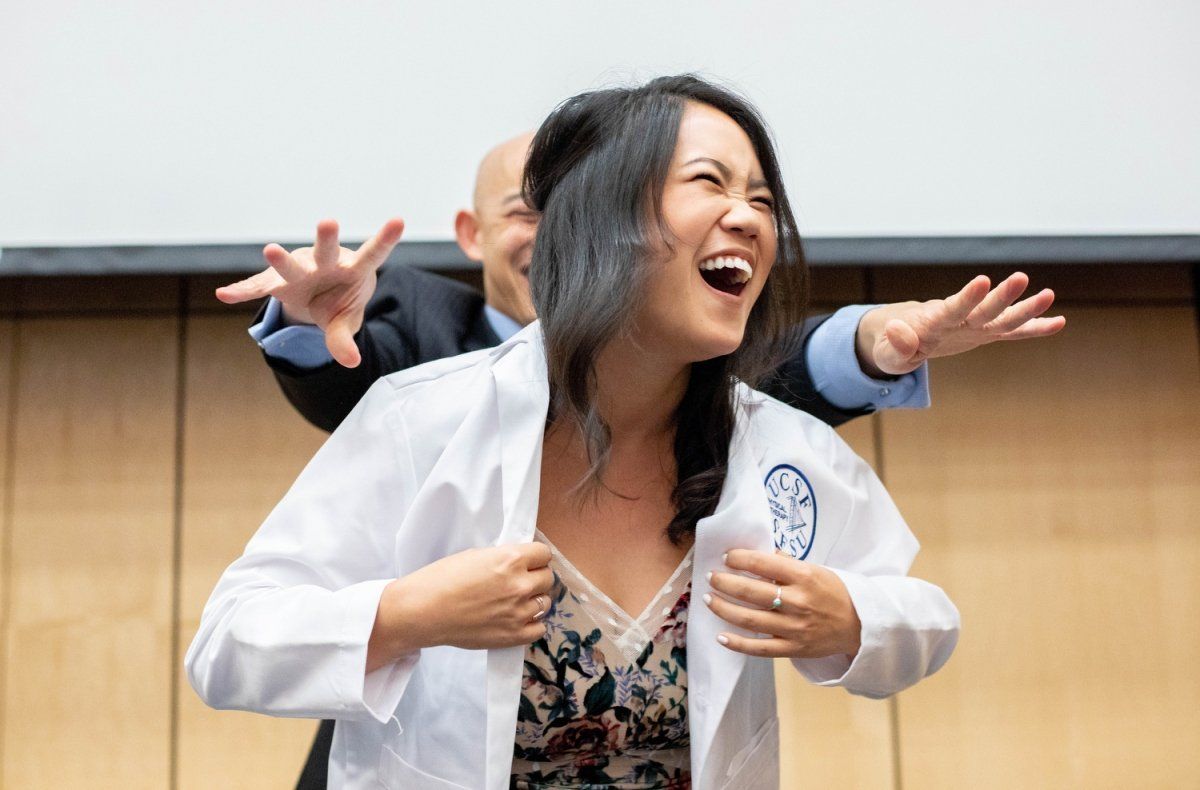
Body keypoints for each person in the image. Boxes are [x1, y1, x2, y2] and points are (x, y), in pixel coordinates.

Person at [188, 74, 977, 788]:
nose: (747, 216)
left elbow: (926, 615)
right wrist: (405, 617)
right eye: (710, 182)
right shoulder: (422, 418)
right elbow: (226, 646)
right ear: (601, 218)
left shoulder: (773, 445)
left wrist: (850, 621)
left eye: (764, 201)